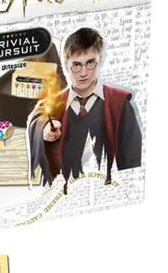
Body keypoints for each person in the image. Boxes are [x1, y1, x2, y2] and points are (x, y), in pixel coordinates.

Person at [28, 27, 142, 189]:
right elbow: (38, 117)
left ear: (99, 60)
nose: (83, 73)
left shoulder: (120, 103)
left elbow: (132, 158)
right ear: (66, 65)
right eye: (76, 65)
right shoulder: (53, 103)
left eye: (90, 63)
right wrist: (44, 129)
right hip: (63, 191)